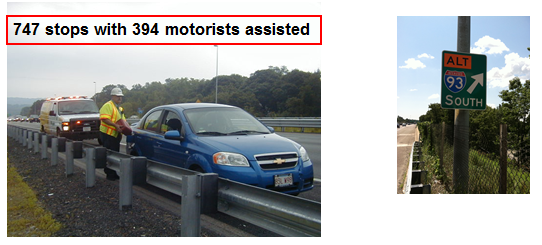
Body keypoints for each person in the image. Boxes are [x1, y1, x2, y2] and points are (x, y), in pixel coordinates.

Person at [99, 87, 126, 180]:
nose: (120, 98)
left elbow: (123, 120)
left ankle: (113, 172)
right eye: (118, 96)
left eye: (121, 96)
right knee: (109, 154)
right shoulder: (108, 105)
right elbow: (104, 119)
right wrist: (115, 126)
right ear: (113, 96)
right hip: (107, 134)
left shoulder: (120, 108)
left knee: (115, 154)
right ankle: (109, 174)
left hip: (115, 135)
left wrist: (125, 128)